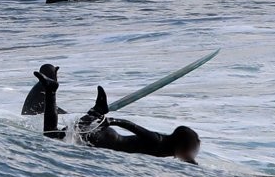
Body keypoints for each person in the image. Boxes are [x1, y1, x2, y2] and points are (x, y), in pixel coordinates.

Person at [35, 67, 201, 164]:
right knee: (50, 134)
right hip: (103, 139)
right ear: (182, 146)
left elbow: (188, 160)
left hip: (107, 138)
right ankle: (51, 89)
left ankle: (97, 109)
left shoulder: (168, 148)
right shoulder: (158, 140)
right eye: (192, 150)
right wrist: (112, 121)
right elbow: (133, 127)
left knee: (54, 133)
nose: (191, 155)